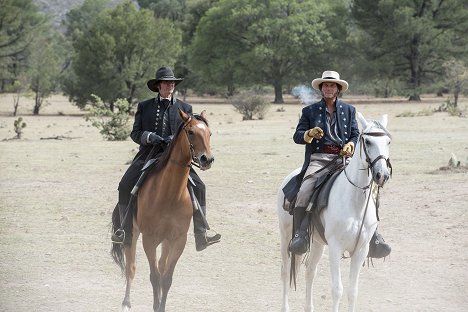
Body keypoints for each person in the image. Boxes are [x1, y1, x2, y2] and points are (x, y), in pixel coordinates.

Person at [283, 70, 391, 258]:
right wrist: (309, 134)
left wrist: (350, 144)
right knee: (305, 190)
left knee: (372, 190)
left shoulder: (349, 110)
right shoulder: (309, 111)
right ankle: (301, 234)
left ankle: (373, 235)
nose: (328, 88)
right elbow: (297, 136)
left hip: (344, 160)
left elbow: (356, 134)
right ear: (321, 89)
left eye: (332, 85)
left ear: (338, 89)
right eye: (325, 85)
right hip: (319, 159)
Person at [112, 66, 221, 251]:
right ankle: (124, 232)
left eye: (172, 83)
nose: (170, 85)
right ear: (158, 86)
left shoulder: (185, 108)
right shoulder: (144, 106)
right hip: (149, 153)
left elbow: (191, 133)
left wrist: (175, 140)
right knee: (124, 185)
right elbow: (135, 133)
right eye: (166, 82)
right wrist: (149, 136)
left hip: (176, 157)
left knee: (200, 186)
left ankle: (201, 234)